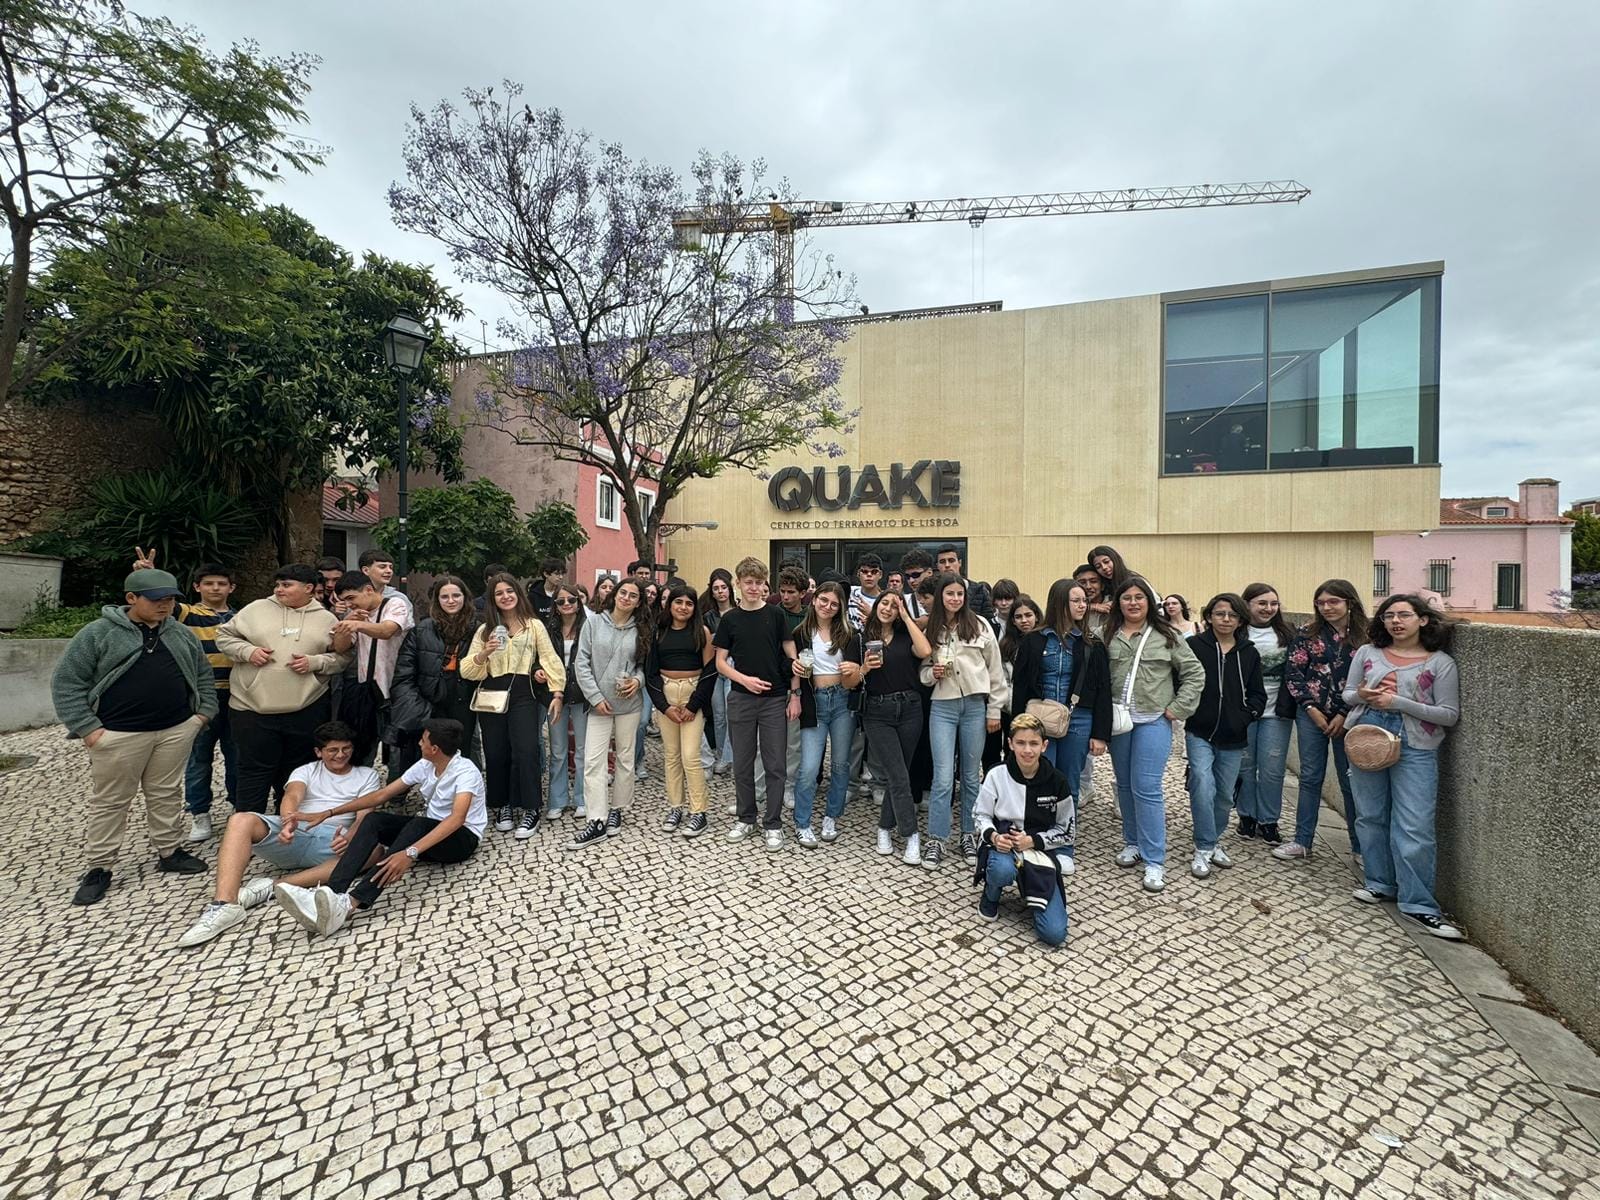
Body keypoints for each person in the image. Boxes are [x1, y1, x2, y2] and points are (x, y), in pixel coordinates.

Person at [52, 567, 217, 905]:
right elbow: (67, 682)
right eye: (156, 599)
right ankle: (100, 866)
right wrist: (89, 729)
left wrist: (201, 715)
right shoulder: (98, 633)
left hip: (175, 729)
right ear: (131, 598)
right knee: (111, 801)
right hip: (117, 734)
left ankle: (169, 850)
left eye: (170, 599)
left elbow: (202, 673)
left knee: (166, 792)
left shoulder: (179, 633)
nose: (164, 605)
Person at [273, 718, 486, 937]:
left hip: (461, 840)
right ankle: (333, 893)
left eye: (423, 741)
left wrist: (410, 852)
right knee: (374, 820)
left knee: (419, 823)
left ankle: (350, 903)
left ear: (434, 749)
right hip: (426, 834)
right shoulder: (426, 764)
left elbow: (456, 819)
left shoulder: (466, 772)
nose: (419, 744)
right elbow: (382, 795)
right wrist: (329, 812)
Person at [175, 721, 381, 946]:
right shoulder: (305, 770)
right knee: (241, 819)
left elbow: (364, 816)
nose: (340, 755)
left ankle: (273, 886)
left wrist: (350, 837)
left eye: (345, 748)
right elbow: (292, 796)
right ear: (318, 752)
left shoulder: (366, 775)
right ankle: (224, 904)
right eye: (333, 750)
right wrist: (287, 822)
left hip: (333, 840)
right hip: (297, 832)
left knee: (375, 850)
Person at [1345, 594, 1463, 939]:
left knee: (1415, 824)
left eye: (1404, 615)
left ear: (1423, 620)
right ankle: (1379, 882)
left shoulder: (1440, 663)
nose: (1395, 621)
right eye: (1389, 615)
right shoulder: (1367, 653)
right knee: (1370, 814)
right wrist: (1363, 696)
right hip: (1368, 734)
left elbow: (1448, 714)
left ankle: (1419, 904)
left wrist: (1398, 702)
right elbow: (1348, 694)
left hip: (1417, 744)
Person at [215, 564, 350, 816]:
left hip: (305, 708)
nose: (279, 590)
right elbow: (223, 637)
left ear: (308, 588)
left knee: (296, 771)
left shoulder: (327, 619)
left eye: (286, 585)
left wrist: (315, 662)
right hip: (250, 708)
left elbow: (343, 658)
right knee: (253, 770)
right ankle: (248, 826)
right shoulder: (255, 609)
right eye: (277, 585)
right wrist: (247, 651)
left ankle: (287, 821)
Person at [1104, 576, 1204, 893]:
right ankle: (1132, 842)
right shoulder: (1107, 634)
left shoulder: (1167, 635)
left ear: (1149, 601)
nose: (1133, 603)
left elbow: (1194, 673)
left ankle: (1154, 859)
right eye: (1127, 598)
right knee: (1124, 784)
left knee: (1146, 787)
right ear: (1118, 603)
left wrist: (1177, 708)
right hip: (1119, 722)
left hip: (1153, 719)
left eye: (1139, 597)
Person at [461, 572, 564, 839]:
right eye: (499, 593)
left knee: (526, 750)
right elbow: (467, 670)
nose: (505, 596)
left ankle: (531, 807)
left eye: (510, 591)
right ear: (492, 599)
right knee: (495, 752)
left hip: (523, 693)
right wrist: (485, 651)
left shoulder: (533, 625)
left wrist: (557, 692)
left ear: (518, 594)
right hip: (492, 694)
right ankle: (503, 804)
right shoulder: (484, 630)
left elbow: (550, 658)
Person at [1272, 579, 1368, 864]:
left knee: (1350, 780)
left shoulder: (1366, 637)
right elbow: (1294, 673)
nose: (1326, 607)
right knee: (1310, 777)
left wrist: (1343, 712)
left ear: (1349, 602)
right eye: (1321, 602)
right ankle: (1303, 840)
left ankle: (1360, 846)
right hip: (1311, 714)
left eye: (1333, 601)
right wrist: (1311, 708)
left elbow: (1369, 677)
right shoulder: (1307, 633)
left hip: (1350, 716)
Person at [1011, 581, 1112, 845]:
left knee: (1069, 781)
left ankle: (1064, 839)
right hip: (1038, 718)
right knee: (1038, 776)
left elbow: (1103, 690)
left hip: (1078, 718)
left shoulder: (1092, 644)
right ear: (1059, 602)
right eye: (1076, 600)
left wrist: (1101, 734)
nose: (1083, 605)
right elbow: (1020, 686)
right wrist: (1016, 727)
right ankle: (1036, 836)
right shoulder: (1034, 640)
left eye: (1084, 601)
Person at [921, 572, 1009, 869]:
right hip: (942, 707)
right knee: (943, 777)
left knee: (971, 776)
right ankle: (937, 838)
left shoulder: (980, 625)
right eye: (950, 593)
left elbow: (996, 671)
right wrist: (930, 674)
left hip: (974, 706)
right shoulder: (931, 628)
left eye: (960, 594)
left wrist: (994, 710)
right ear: (941, 596)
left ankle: (970, 834)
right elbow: (922, 669)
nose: (955, 598)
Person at [716, 556, 800, 851]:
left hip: (774, 699)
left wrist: (795, 695)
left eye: (758, 582)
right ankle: (746, 817)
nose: (753, 587)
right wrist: (744, 680)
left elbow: (792, 657)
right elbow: (720, 662)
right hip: (741, 697)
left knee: (775, 763)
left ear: (765, 584)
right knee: (742, 762)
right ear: (738, 584)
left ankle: (773, 823)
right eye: (748, 582)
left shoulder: (776, 615)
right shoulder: (730, 619)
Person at [1184, 594, 1266, 879]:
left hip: (1234, 734)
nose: (1226, 619)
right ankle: (1204, 846)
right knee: (1202, 783)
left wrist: (1247, 715)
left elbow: (1258, 694)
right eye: (1220, 614)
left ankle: (1213, 839)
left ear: (1241, 620)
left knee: (1223, 794)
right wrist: (1186, 708)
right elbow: (1180, 680)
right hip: (1199, 729)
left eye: (1232, 615)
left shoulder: (1249, 652)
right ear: (1209, 616)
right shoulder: (1194, 646)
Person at [972, 714, 1073, 946]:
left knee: (1054, 934)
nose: (1027, 750)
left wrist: (1034, 841)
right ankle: (991, 893)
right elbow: (979, 814)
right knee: (1002, 869)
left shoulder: (1058, 781)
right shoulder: (996, 774)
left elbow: (1067, 831)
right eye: (1020, 743)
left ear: (1044, 746)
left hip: (1039, 852)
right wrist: (993, 837)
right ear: (1010, 744)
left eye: (1034, 743)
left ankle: (1031, 888)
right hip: (1003, 846)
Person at [568, 577, 651, 849]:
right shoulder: (593, 623)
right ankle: (596, 818)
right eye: (623, 592)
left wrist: (637, 681)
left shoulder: (641, 629)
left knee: (625, 758)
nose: (626, 598)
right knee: (594, 761)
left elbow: (644, 665)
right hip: (599, 704)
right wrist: (595, 697)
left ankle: (618, 808)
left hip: (629, 704)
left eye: (633, 595)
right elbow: (581, 663)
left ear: (639, 602)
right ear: (614, 595)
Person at [862, 591, 934, 865]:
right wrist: (864, 668)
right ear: (876, 606)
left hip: (910, 709)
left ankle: (884, 827)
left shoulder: (906, 636)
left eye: (895, 605)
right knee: (899, 775)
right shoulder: (861, 638)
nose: (888, 609)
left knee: (898, 774)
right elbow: (850, 679)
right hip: (877, 712)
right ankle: (911, 834)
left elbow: (925, 651)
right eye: (884, 603)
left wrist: (906, 617)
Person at [791, 581, 864, 848]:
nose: (828, 606)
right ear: (814, 599)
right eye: (824, 600)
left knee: (841, 764)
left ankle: (832, 816)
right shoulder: (800, 633)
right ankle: (802, 822)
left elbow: (855, 678)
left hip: (842, 700)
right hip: (814, 702)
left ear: (841, 607)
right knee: (809, 767)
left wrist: (855, 670)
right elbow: (792, 668)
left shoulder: (850, 634)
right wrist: (795, 694)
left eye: (834, 603)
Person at [386, 575, 482, 778]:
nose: (451, 601)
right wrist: (414, 704)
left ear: (465, 597)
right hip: (430, 700)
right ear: (437, 600)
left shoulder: (479, 628)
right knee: (428, 752)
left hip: (465, 699)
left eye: (456, 595)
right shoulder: (422, 630)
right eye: (444, 596)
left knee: (462, 752)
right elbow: (404, 672)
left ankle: (461, 789)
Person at [646, 583, 717, 836]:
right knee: (672, 755)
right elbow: (650, 672)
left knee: (690, 756)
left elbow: (710, 672)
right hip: (666, 694)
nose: (683, 607)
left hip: (692, 692)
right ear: (670, 604)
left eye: (689, 603)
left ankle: (699, 811)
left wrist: (693, 705)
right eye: (679, 602)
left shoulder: (702, 632)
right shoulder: (659, 632)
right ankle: (676, 806)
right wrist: (664, 707)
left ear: (695, 607)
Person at [179, 562, 238, 842]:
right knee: (198, 758)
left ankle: (239, 808)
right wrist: (142, 574)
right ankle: (199, 813)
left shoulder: (240, 618)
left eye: (221, 583)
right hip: (200, 697)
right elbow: (158, 604)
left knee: (237, 755)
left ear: (231, 588)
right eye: (209, 583)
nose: (215, 588)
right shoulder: (187, 614)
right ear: (197, 587)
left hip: (237, 695)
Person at [331, 571, 415, 766]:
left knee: (397, 749)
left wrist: (356, 624)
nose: (349, 604)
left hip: (398, 688)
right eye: (345, 600)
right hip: (367, 689)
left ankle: (396, 784)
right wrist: (345, 627)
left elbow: (387, 630)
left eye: (351, 598)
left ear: (368, 590)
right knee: (363, 746)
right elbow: (341, 647)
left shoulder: (395, 604)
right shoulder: (356, 615)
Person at [1237, 582, 1294, 846]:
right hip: (1244, 711)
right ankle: (1246, 816)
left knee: (1272, 769)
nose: (1268, 608)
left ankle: (1269, 820)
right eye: (1262, 603)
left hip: (1276, 712)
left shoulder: (1288, 634)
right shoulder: (1237, 632)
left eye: (1273, 603)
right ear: (1247, 604)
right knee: (1245, 766)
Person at [544, 582, 590, 822]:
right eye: (561, 601)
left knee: (582, 750)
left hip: (581, 694)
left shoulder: (588, 627)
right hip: (555, 694)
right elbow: (541, 658)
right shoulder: (548, 629)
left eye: (571, 600)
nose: (566, 604)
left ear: (578, 603)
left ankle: (582, 799)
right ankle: (557, 800)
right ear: (555, 605)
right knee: (558, 751)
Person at [698, 568, 737, 778]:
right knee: (719, 715)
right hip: (713, 668)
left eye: (723, 587)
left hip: (733, 666)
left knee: (731, 714)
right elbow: (704, 643)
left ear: (730, 589)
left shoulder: (739, 612)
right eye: (716, 588)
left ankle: (728, 758)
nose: (720, 591)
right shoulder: (708, 617)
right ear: (711, 592)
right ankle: (721, 754)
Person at [935, 544, 994, 619]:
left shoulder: (979, 590)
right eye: (942, 562)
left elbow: (988, 619)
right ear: (937, 566)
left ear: (959, 563)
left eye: (951, 561)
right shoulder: (932, 589)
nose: (947, 565)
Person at [848, 553, 886, 628]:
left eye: (874, 572)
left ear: (880, 574)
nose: (869, 575)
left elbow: (889, 629)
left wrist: (871, 615)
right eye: (864, 571)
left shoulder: (886, 600)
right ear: (858, 574)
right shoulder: (849, 591)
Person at [1074, 564, 1110, 637]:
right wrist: (1092, 607)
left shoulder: (1114, 603)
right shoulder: (1071, 606)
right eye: (1082, 582)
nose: (1088, 587)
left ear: (1102, 585)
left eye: (1093, 581)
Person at [898, 549, 935, 620]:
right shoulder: (904, 602)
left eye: (916, 575)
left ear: (929, 572)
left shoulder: (945, 598)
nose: (911, 580)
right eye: (907, 576)